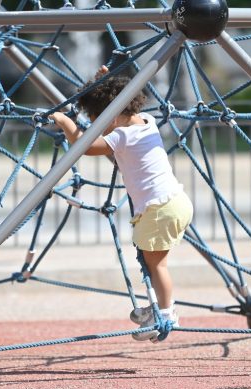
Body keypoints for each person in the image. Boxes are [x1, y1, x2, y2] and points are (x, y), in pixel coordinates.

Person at [50, 66, 193, 342]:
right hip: (174, 201)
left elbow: (86, 146)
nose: (96, 125)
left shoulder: (122, 136)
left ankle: (166, 313)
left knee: (158, 266)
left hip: (160, 208)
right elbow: (119, 95)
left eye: (96, 119)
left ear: (113, 114)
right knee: (155, 263)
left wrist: (65, 123)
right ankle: (158, 309)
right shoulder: (146, 121)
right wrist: (106, 77)